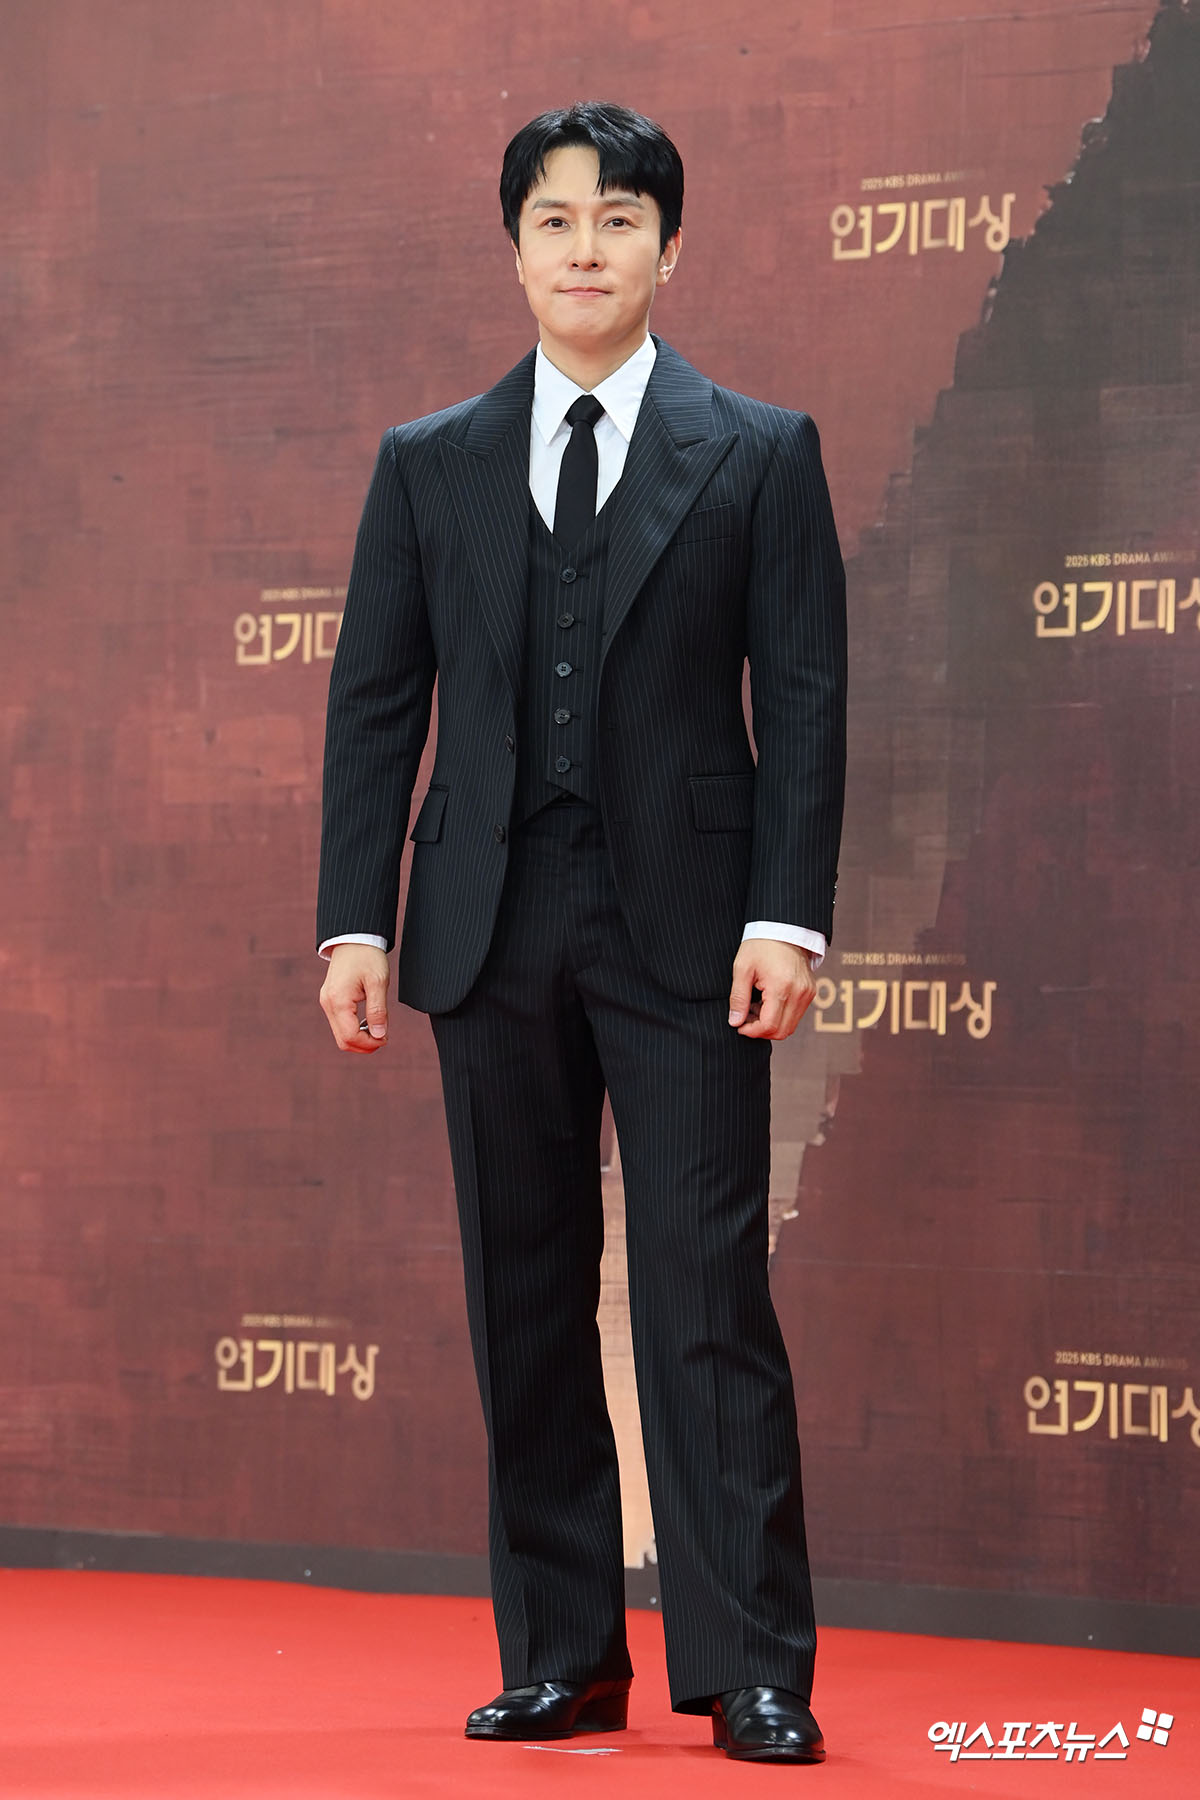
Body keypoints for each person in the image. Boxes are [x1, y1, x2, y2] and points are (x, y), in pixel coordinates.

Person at [316, 101, 845, 1764]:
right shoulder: (431, 461)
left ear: (669, 248)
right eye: (555, 221)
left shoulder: (759, 450)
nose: (586, 249)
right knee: (523, 1296)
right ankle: (562, 1654)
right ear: (515, 252)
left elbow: (805, 699)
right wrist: (353, 924)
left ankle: (750, 1666)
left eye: (619, 220)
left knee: (705, 1295)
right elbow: (375, 705)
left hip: (692, 926)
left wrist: (789, 917)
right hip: (486, 922)